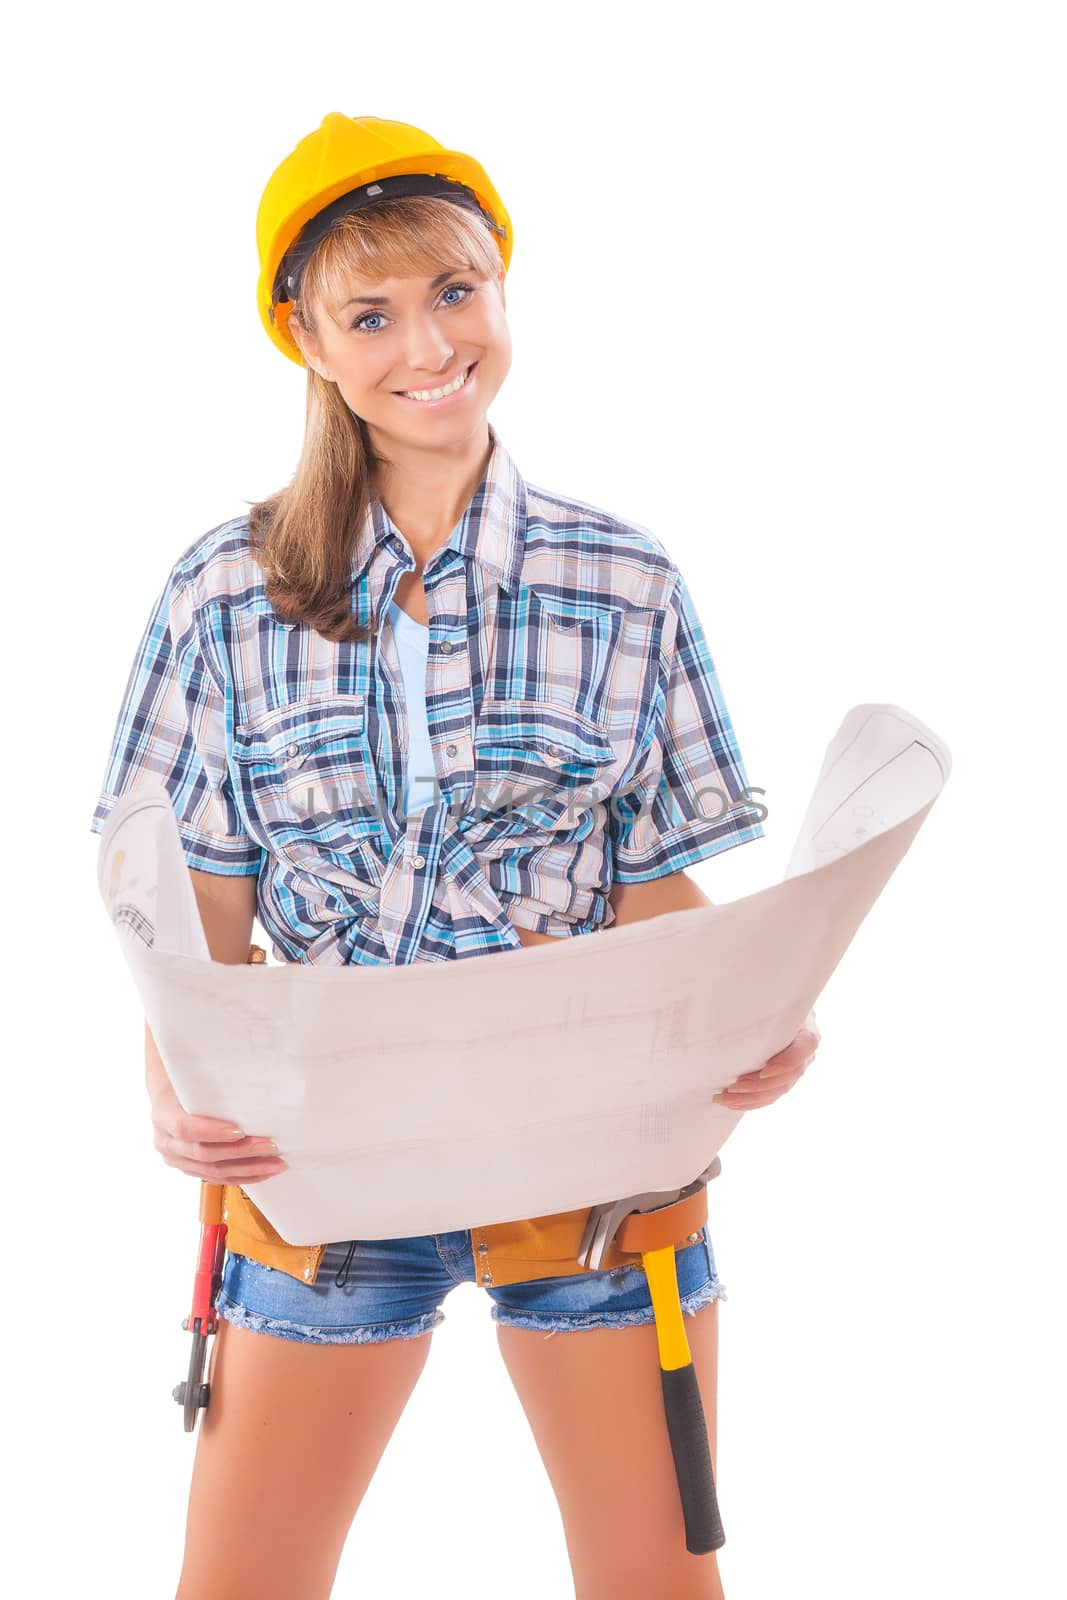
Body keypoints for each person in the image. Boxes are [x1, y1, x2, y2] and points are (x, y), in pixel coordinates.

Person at [89, 113, 819, 1600]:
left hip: (600, 1154)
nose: (429, 343)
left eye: (458, 292)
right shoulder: (224, 594)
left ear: (501, 289)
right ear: (308, 335)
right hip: (324, 1161)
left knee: (655, 1586)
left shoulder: (625, 581)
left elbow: (646, 886)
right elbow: (193, 922)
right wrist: (168, 1084)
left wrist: (758, 1007)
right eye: (373, 313)